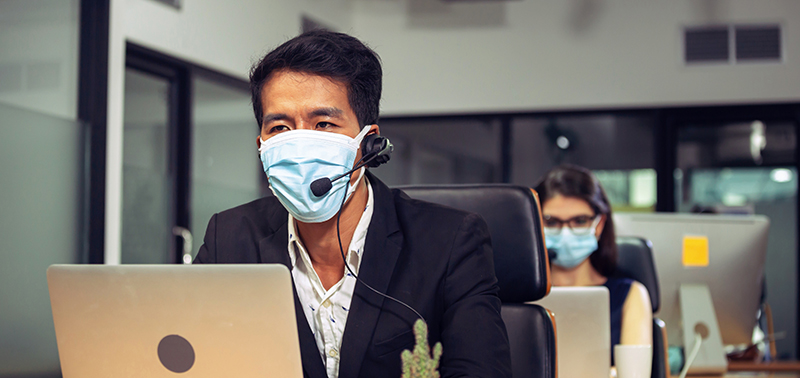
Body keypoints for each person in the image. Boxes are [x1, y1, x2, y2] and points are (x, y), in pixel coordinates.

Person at [193, 30, 511, 378]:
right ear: (261, 144)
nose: (300, 143)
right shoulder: (229, 238)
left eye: (324, 123)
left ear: (368, 143)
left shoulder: (450, 242)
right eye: (281, 128)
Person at [534, 165, 652, 365]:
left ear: (599, 224)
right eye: (551, 222)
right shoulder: (519, 297)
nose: (565, 232)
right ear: (534, 222)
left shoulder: (631, 294)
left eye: (579, 221)